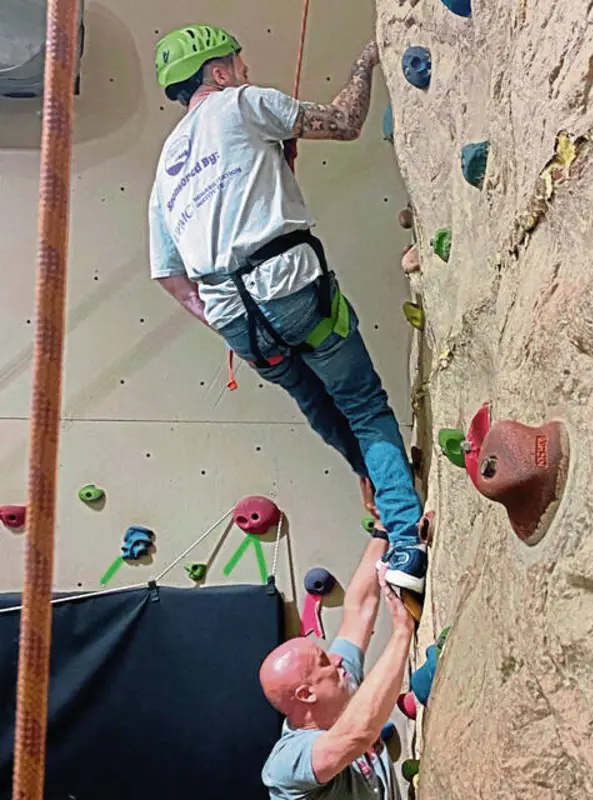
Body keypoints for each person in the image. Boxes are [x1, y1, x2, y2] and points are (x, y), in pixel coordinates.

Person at [148, 24, 427, 593]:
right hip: (290, 287)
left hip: (238, 323)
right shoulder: (241, 104)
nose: (245, 72)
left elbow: (171, 278)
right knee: (363, 405)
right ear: (218, 73)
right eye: (239, 64)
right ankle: (405, 543)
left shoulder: (165, 171)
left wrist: (227, 322)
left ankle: (373, 479)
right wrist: (366, 62)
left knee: (317, 402)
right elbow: (344, 121)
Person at [259, 530, 414, 799]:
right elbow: (357, 734)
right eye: (324, 662)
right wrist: (402, 632)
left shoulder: (338, 684)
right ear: (306, 694)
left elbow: (358, 611)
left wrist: (382, 532)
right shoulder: (286, 762)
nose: (337, 658)